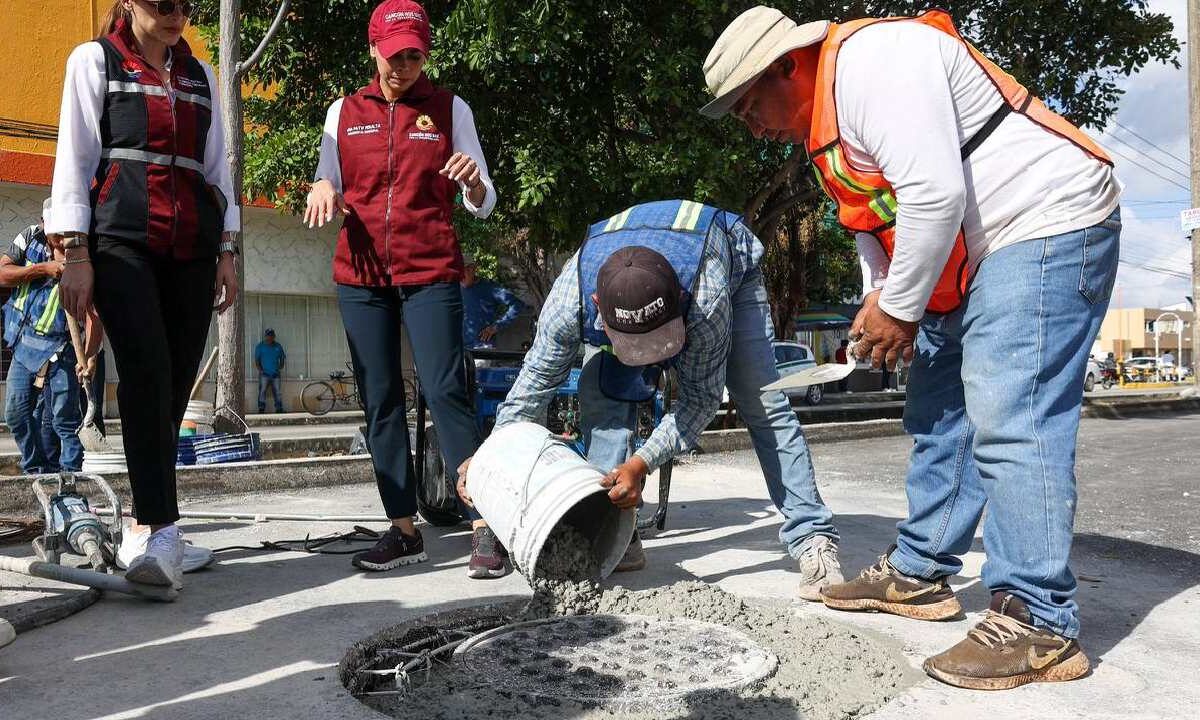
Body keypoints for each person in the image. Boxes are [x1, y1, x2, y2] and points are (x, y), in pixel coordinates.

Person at [703, 6, 1120, 689]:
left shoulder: (874, 63)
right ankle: (921, 573)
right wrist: (881, 302)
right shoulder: (823, 134)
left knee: (1013, 418)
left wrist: (900, 307)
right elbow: (875, 222)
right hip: (966, 254)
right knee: (937, 412)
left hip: (1044, 220)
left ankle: (1039, 622)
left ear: (786, 65)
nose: (750, 125)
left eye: (748, 106)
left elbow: (933, 192)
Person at [463, 200, 842, 598]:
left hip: (726, 262)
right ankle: (614, 526)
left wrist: (641, 463)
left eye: (661, 342)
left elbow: (699, 401)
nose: (655, 357)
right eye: (639, 347)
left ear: (678, 299)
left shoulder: (706, 296)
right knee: (603, 386)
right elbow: (533, 385)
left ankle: (813, 539)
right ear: (598, 307)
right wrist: (491, 454)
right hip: (636, 282)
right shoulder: (569, 298)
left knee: (763, 403)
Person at [47, 0, 239, 591]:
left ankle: (149, 527)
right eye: (162, 3)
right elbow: (73, 158)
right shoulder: (94, 61)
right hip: (121, 242)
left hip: (192, 247)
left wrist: (227, 248)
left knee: (176, 383)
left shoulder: (199, 75)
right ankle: (159, 526)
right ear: (129, 3)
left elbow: (217, 168)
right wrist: (73, 253)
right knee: (147, 370)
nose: (176, 13)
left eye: (185, 4)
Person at [302, 0, 499, 577]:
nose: (403, 66)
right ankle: (403, 529)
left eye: (414, 55)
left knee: (444, 391)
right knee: (380, 399)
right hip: (360, 275)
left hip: (430, 267)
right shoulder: (344, 112)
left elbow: (484, 203)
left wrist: (473, 183)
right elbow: (328, 178)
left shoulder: (448, 108)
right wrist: (322, 188)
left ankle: (484, 524)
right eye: (394, 55)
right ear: (373, 50)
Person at [1, 199, 83, 474]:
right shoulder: (29, 238)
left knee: (58, 420)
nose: (59, 239)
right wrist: (42, 269)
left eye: (64, 233)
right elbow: (2, 274)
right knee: (17, 412)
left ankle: (67, 477)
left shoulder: (81, 254)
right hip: (24, 344)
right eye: (54, 232)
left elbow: (95, 315)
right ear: (44, 223)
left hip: (62, 349)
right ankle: (35, 470)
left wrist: (90, 356)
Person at [460, 254, 524, 352]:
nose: (461, 275)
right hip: (459, 348)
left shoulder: (489, 288)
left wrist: (496, 326)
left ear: (473, 269)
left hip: (482, 348)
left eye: (466, 270)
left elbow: (517, 305)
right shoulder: (453, 288)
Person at [254, 328, 286, 413]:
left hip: (276, 374)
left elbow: (282, 357)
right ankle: (261, 408)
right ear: (265, 336)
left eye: (271, 336)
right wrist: (261, 371)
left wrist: (280, 366)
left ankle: (279, 408)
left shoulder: (278, 346)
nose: (270, 338)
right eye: (268, 336)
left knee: (277, 392)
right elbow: (257, 361)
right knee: (262, 391)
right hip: (264, 374)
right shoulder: (260, 346)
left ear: (274, 336)